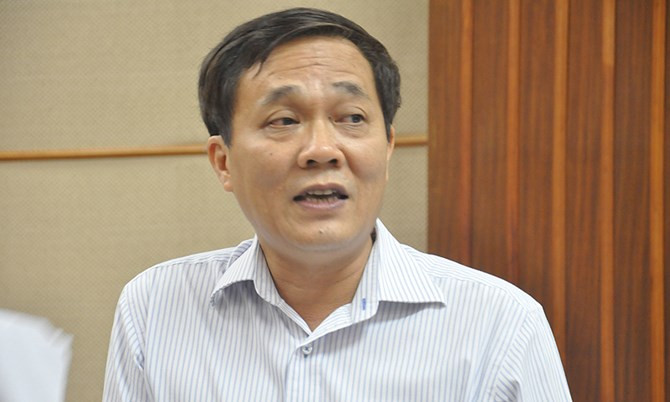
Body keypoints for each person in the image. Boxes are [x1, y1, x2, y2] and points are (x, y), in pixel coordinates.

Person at [103, 7, 571, 401]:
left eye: (351, 117)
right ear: (223, 162)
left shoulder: (501, 324)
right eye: (283, 120)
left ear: (387, 148)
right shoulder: (154, 308)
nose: (321, 150)